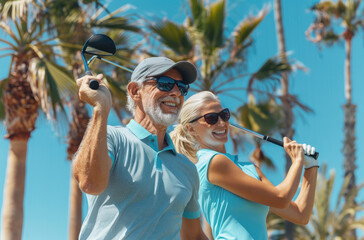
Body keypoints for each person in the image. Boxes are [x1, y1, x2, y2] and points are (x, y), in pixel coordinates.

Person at [73, 57, 208, 240]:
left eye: (182, 87)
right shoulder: (112, 137)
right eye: (166, 83)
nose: (177, 93)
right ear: (135, 91)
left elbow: (194, 236)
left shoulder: (187, 168)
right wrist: (100, 109)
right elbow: (90, 183)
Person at [171, 91, 319, 240]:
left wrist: (310, 167)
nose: (221, 123)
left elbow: (300, 215)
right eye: (211, 118)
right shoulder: (213, 162)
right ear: (191, 128)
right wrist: (298, 161)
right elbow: (281, 198)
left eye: (224, 115)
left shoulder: (249, 169)